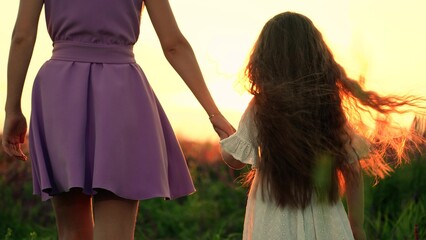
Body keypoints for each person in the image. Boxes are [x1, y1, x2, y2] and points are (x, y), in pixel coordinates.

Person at [2, 0, 234, 239]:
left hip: (60, 92)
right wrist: (214, 114)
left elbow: (22, 36)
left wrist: (12, 109)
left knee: (71, 231)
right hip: (121, 92)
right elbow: (174, 45)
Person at [219, 12, 425, 240]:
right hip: (324, 218)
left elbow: (235, 160)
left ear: (266, 59)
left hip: (272, 217)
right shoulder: (327, 105)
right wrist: (356, 225)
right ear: (317, 57)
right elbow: (353, 169)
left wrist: (226, 140)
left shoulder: (261, 106)